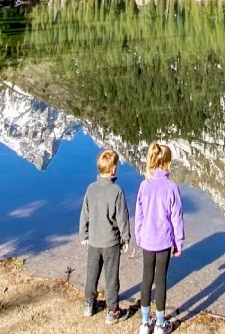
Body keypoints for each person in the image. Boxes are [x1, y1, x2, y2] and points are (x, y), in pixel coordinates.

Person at [134, 142, 185, 334]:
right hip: (164, 242)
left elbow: (139, 214)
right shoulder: (171, 187)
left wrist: (138, 236)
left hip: (147, 240)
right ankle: (161, 324)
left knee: (146, 279)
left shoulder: (144, 185)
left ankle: (145, 322)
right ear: (168, 163)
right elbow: (177, 218)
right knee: (160, 280)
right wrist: (178, 242)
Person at [80, 148, 132, 324]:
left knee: (92, 273)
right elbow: (122, 218)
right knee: (111, 277)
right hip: (111, 243)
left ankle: (89, 305)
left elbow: (84, 214)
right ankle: (113, 311)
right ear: (114, 169)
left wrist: (84, 234)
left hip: (94, 241)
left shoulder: (90, 189)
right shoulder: (116, 191)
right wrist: (125, 238)